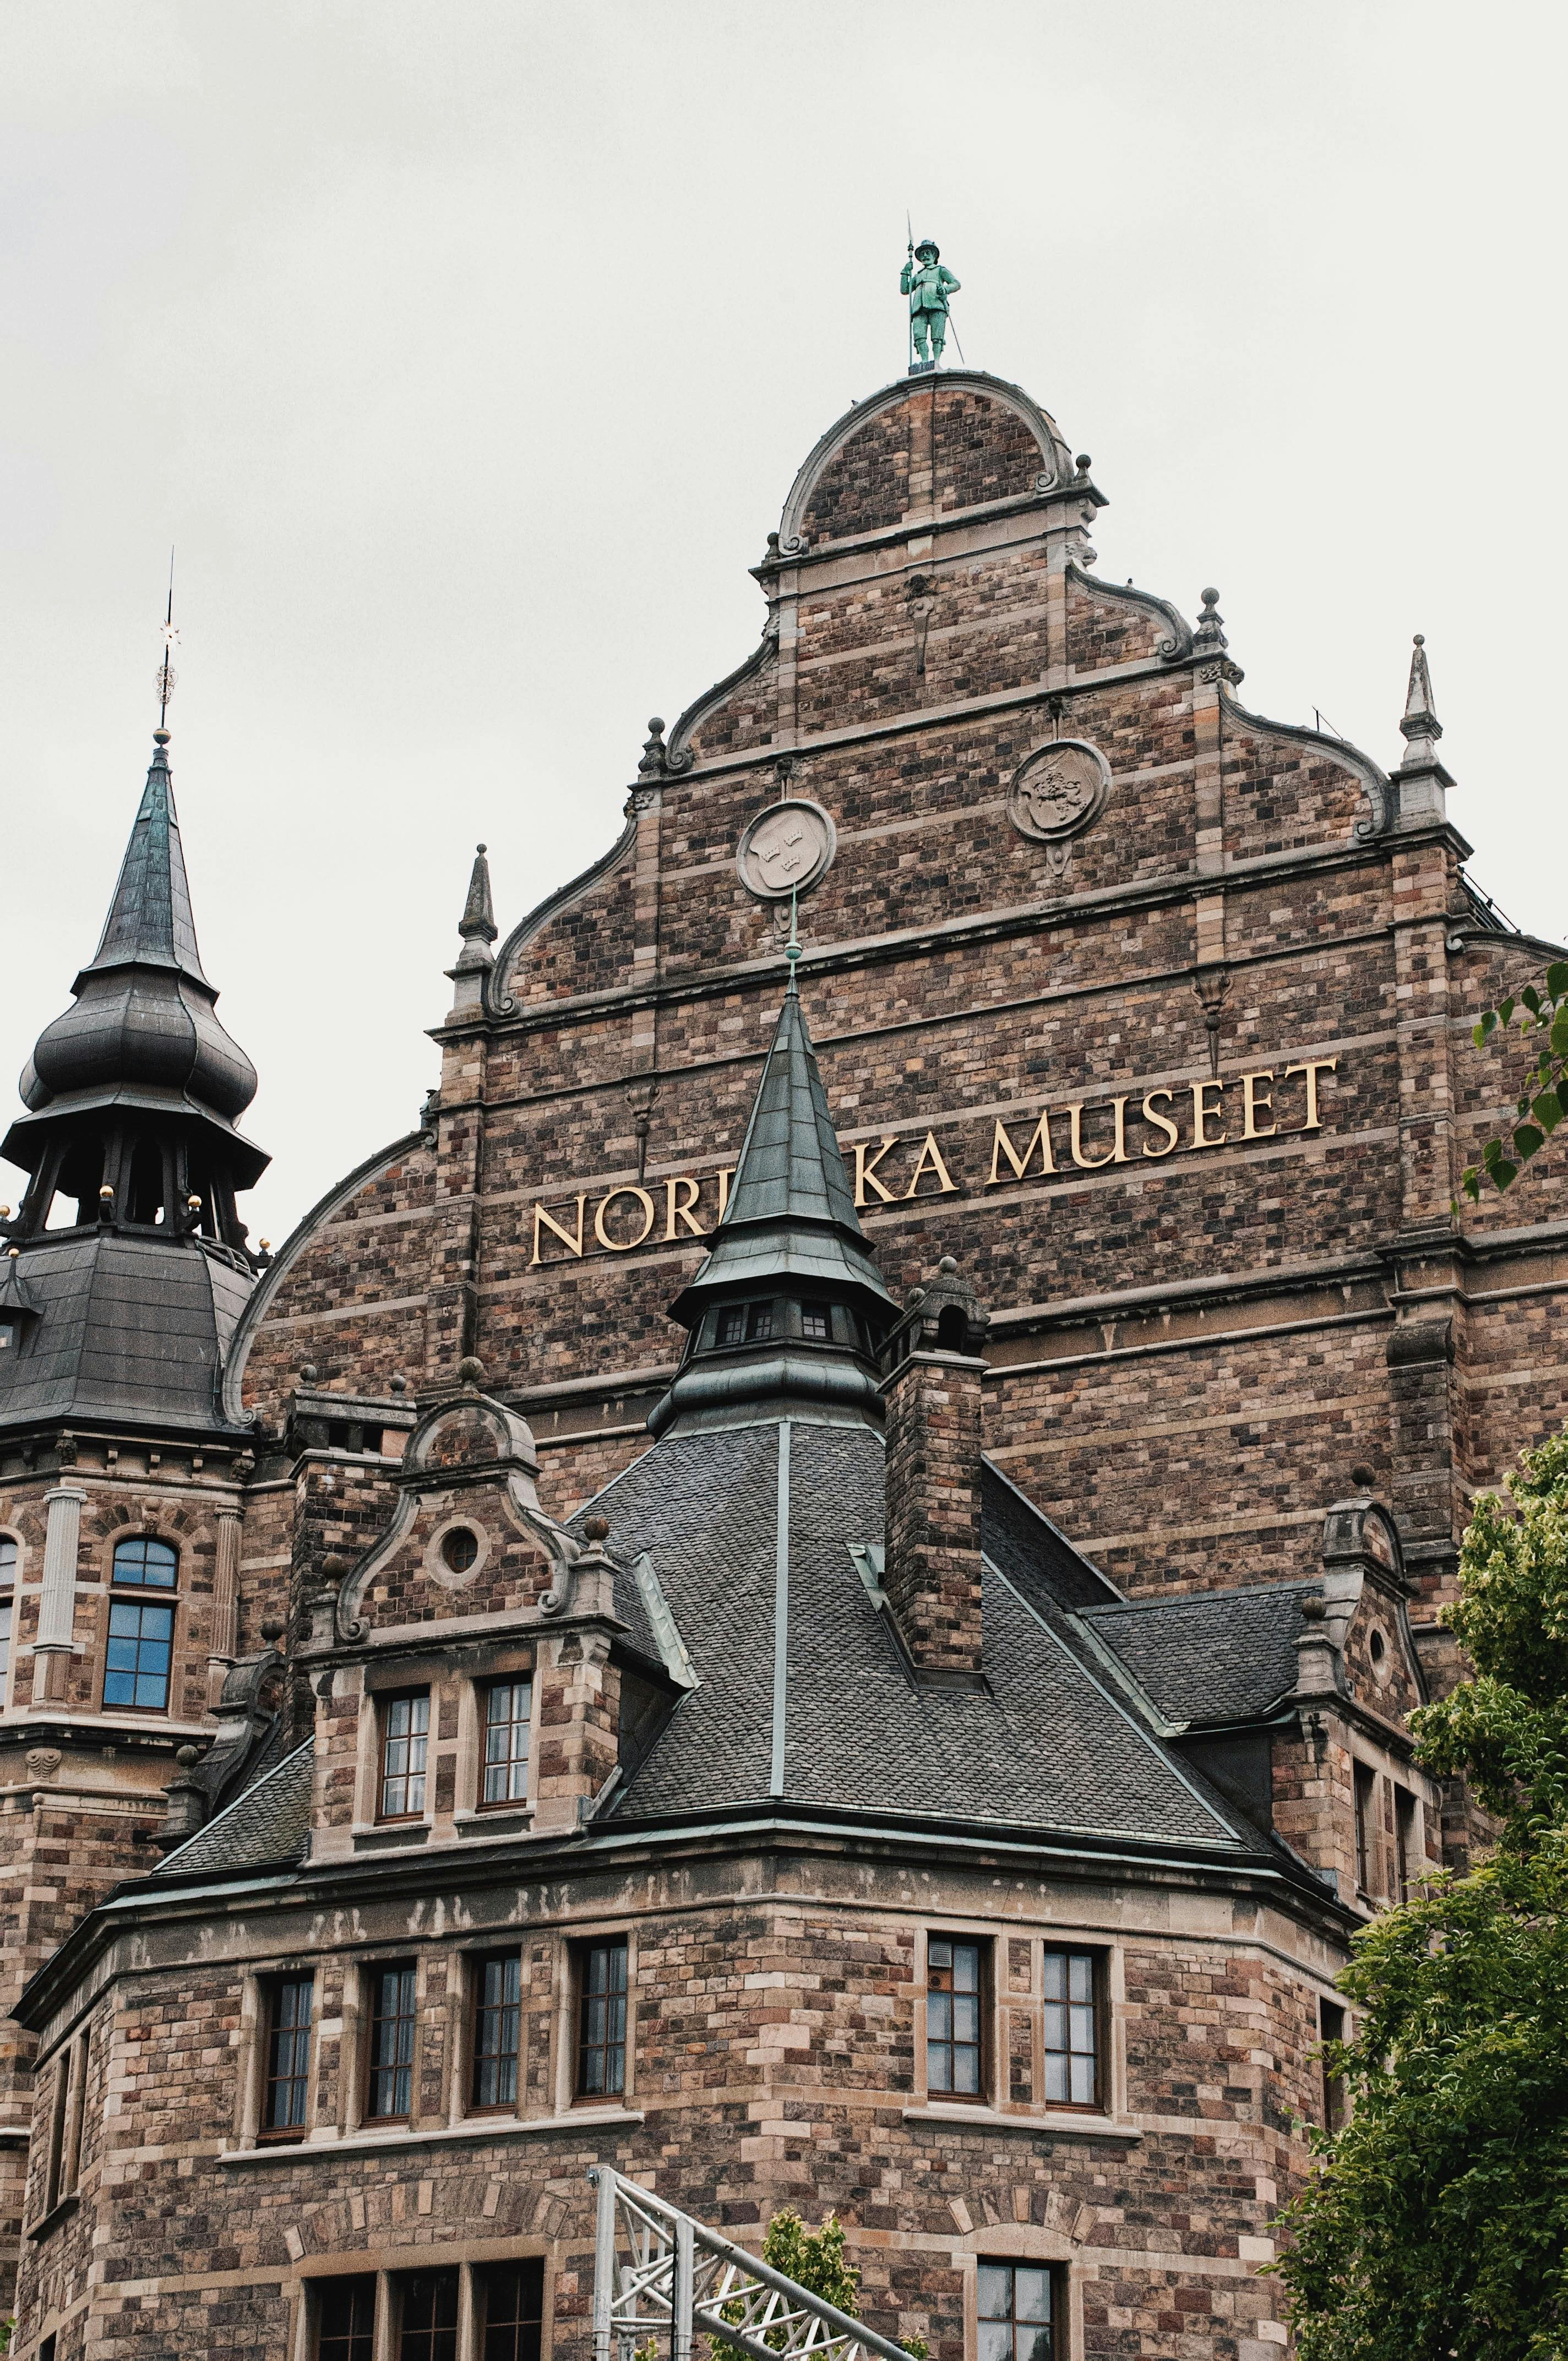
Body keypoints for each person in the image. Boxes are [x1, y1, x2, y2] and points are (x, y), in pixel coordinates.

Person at [900, 240, 960, 369]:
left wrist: (945, 290)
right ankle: (924, 360)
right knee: (919, 334)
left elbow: (956, 284)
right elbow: (905, 290)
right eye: (923, 254)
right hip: (919, 307)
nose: (925, 256)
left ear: (934, 256)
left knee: (937, 336)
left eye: (928, 253)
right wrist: (905, 272)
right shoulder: (918, 275)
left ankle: (936, 361)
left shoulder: (940, 270)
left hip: (936, 304)